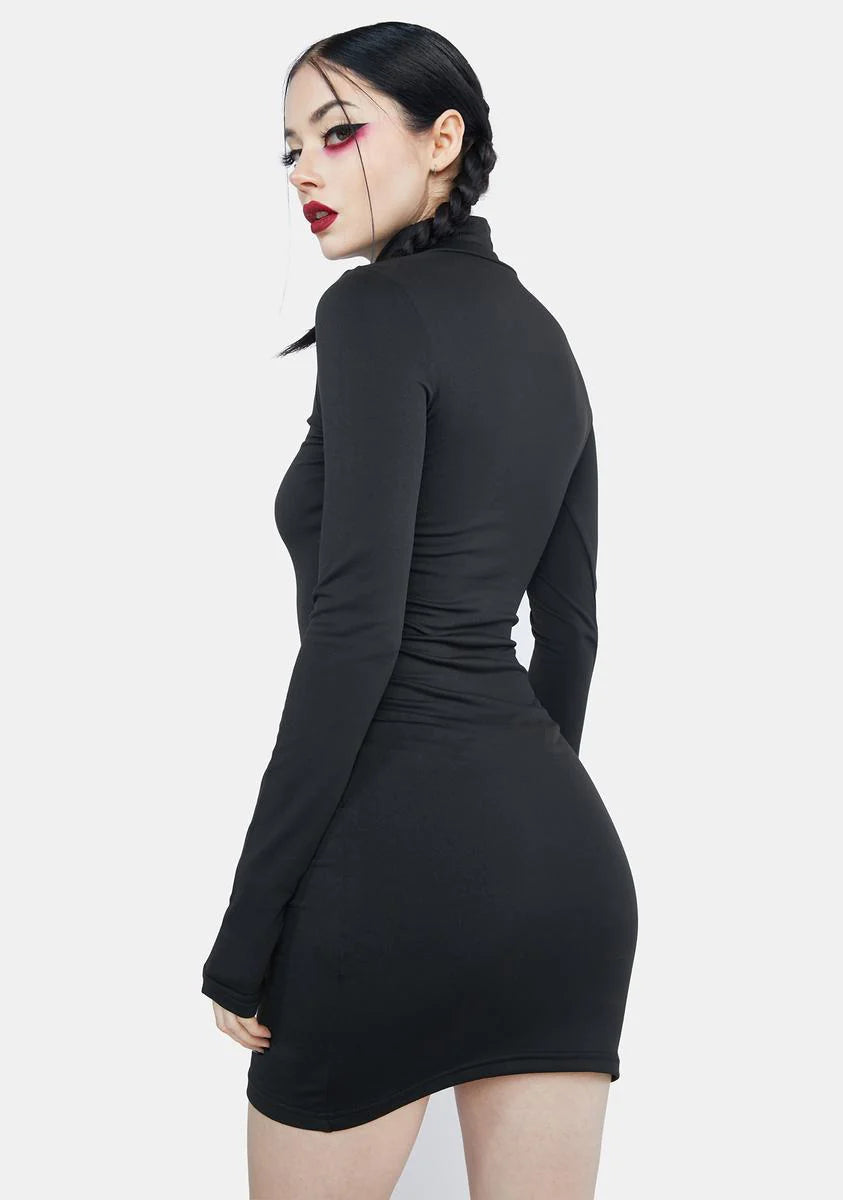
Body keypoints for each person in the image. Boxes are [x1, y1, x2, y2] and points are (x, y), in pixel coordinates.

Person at [201, 21, 638, 1199]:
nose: (304, 168)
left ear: (443, 140)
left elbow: (357, 635)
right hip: (565, 878)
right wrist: (507, 838)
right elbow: (573, 631)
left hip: (387, 879)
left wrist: (248, 931)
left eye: (337, 133)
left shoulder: (371, 314)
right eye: (289, 146)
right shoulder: (548, 338)